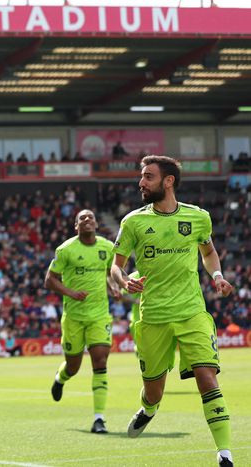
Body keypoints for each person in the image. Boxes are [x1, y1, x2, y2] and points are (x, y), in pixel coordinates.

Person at [110, 155, 235, 466]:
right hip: (152, 316)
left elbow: (208, 252)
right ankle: (149, 409)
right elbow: (115, 266)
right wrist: (123, 280)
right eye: (142, 176)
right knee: (154, 391)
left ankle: (225, 453)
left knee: (207, 377)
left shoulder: (198, 218)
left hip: (191, 310)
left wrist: (217, 276)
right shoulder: (133, 222)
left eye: (148, 177)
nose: (141, 182)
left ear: (168, 181)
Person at [45, 209, 117, 434]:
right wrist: (70, 292)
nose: (87, 220)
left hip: (99, 315)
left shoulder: (107, 247)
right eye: (82, 219)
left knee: (100, 361)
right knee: (74, 367)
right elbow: (50, 280)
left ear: (96, 224)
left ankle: (99, 419)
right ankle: (60, 378)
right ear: (76, 226)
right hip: (74, 317)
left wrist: (114, 283)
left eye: (91, 218)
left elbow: (110, 271)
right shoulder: (65, 250)